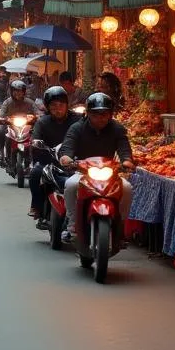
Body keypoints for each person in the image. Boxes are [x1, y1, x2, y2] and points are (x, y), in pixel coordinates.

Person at [58, 92, 134, 246]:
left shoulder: (117, 128)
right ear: (88, 114)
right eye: (96, 114)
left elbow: (124, 149)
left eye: (105, 114)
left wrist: (126, 161)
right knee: (71, 185)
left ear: (110, 114)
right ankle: (72, 225)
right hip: (82, 172)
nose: (101, 118)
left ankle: (120, 225)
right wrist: (66, 157)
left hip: (109, 173)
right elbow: (67, 147)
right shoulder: (77, 128)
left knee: (127, 188)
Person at [28, 86, 79, 225]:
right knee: (35, 172)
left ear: (67, 105)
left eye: (61, 105)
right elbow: (35, 139)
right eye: (54, 105)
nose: (58, 108)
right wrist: (36, 144)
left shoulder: (78, 120)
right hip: (49, 159)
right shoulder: (42, 122)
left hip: (74, 161)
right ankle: (37, 206)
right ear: (48, 107)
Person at [0, 80, 40, 165]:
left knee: (36, 138)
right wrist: (0, 118)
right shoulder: (7, 102)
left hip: (27, 127)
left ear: (24, 92)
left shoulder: (29, 102)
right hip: (10, 126)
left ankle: (34, 159)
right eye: (15, 90)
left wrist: (37, 116)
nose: (18, 93)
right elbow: (1, 113)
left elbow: (38, 112)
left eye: (20, 91)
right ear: (11, 91)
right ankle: (1, 153)